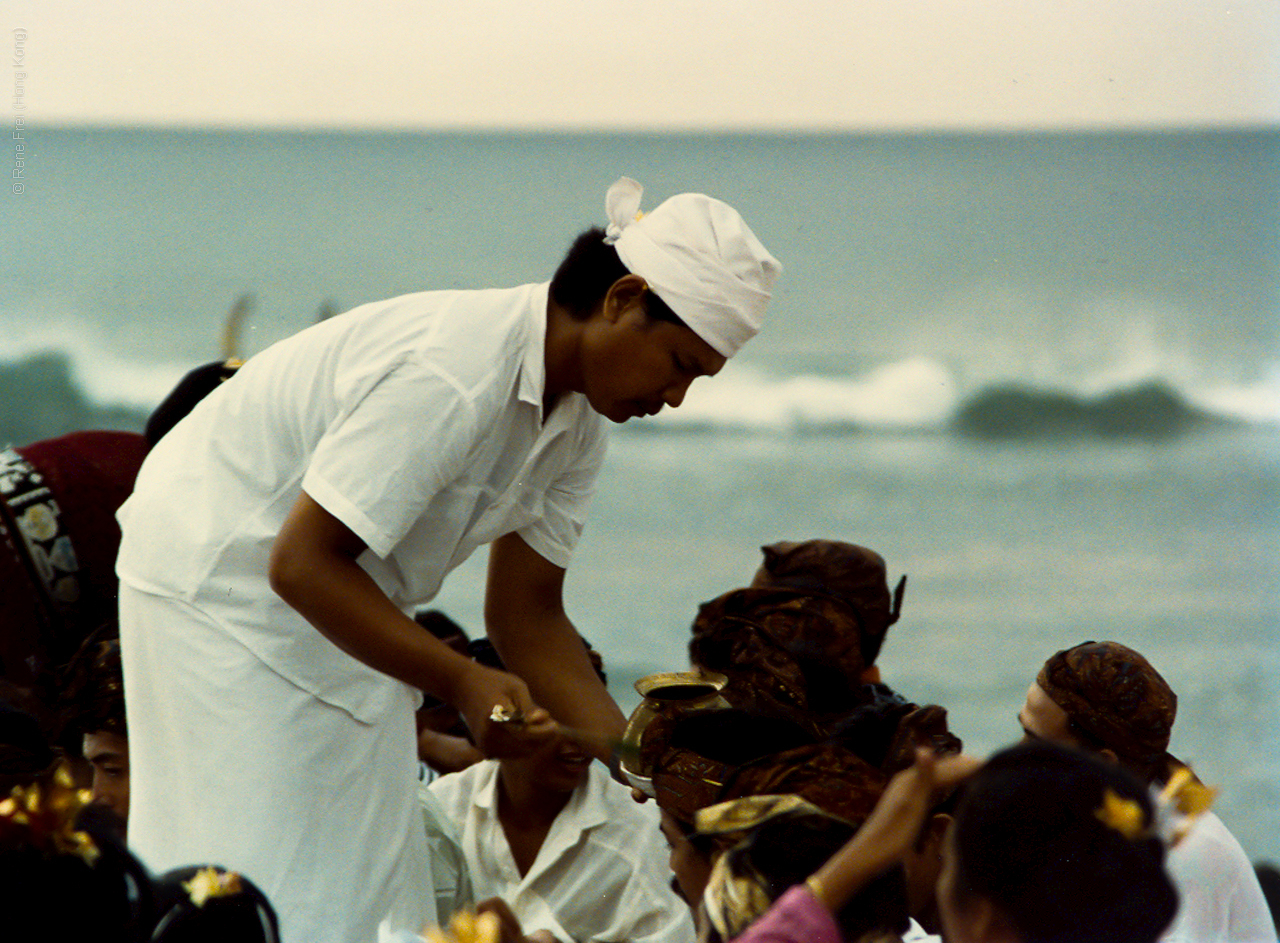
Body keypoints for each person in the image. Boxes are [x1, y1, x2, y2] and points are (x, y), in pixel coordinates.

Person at [115, 177, 780, 943]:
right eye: (680, 363)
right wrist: (463, 678)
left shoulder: (579, 424)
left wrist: (644, 763)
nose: (675, 397)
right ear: (623, 297)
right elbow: (299, 564)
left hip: (339, 592)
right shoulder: (457, 370)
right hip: (216, 581)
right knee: (266, 877)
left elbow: (526, 617)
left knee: (364, 876)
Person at [428, 644, 692, 943]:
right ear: (499, 719)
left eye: (587, 717)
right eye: (552, 716)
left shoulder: (643, 832)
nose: (579, 739)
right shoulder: (440, 811)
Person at [1019, 640, 1276, 943]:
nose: (1017, 756)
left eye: (1034, 743)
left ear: (1101, 765)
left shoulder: (1186, 851)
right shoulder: (1090, 818)